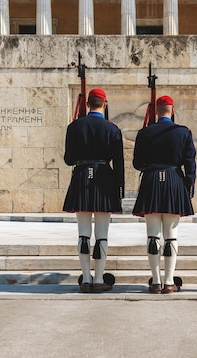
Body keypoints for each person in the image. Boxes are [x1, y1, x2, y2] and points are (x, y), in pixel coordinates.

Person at [132, 95, 196, 294]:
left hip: (151, 181)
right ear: (172, 110)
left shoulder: (145, 132)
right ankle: (169, 281)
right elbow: (190, 162)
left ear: (156, 112)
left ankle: (156, 281)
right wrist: (188, 184)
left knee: (153, 236)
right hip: (174, 180)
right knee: (171, 237)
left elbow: (136, 163)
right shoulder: (183, 132)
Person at [63, 88, 124, 293]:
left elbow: (68, 160)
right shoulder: (112, 129)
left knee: (83, 234)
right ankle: (99, 278)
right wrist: (119, 188)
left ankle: (86, 278)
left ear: (87, 104)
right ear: (104, 105)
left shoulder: (74, 127)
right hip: (104, 178)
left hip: (81, 175)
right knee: (102, 234)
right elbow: (119, 163)